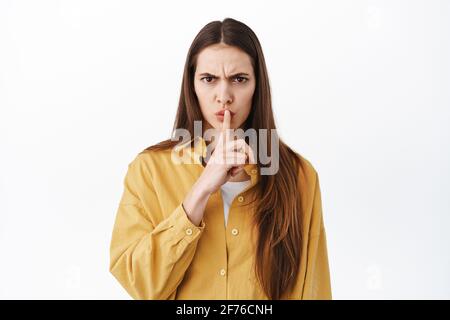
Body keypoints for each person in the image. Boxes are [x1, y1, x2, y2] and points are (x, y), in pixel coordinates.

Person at [109, 17, 332, 300]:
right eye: (209, 79)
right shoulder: (149, 170)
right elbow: (139, 283)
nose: (224, 96)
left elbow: (314, 288)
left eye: (239, 79)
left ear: (257, 86)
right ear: (192, 86)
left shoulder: (300, 175)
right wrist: (201, 189)